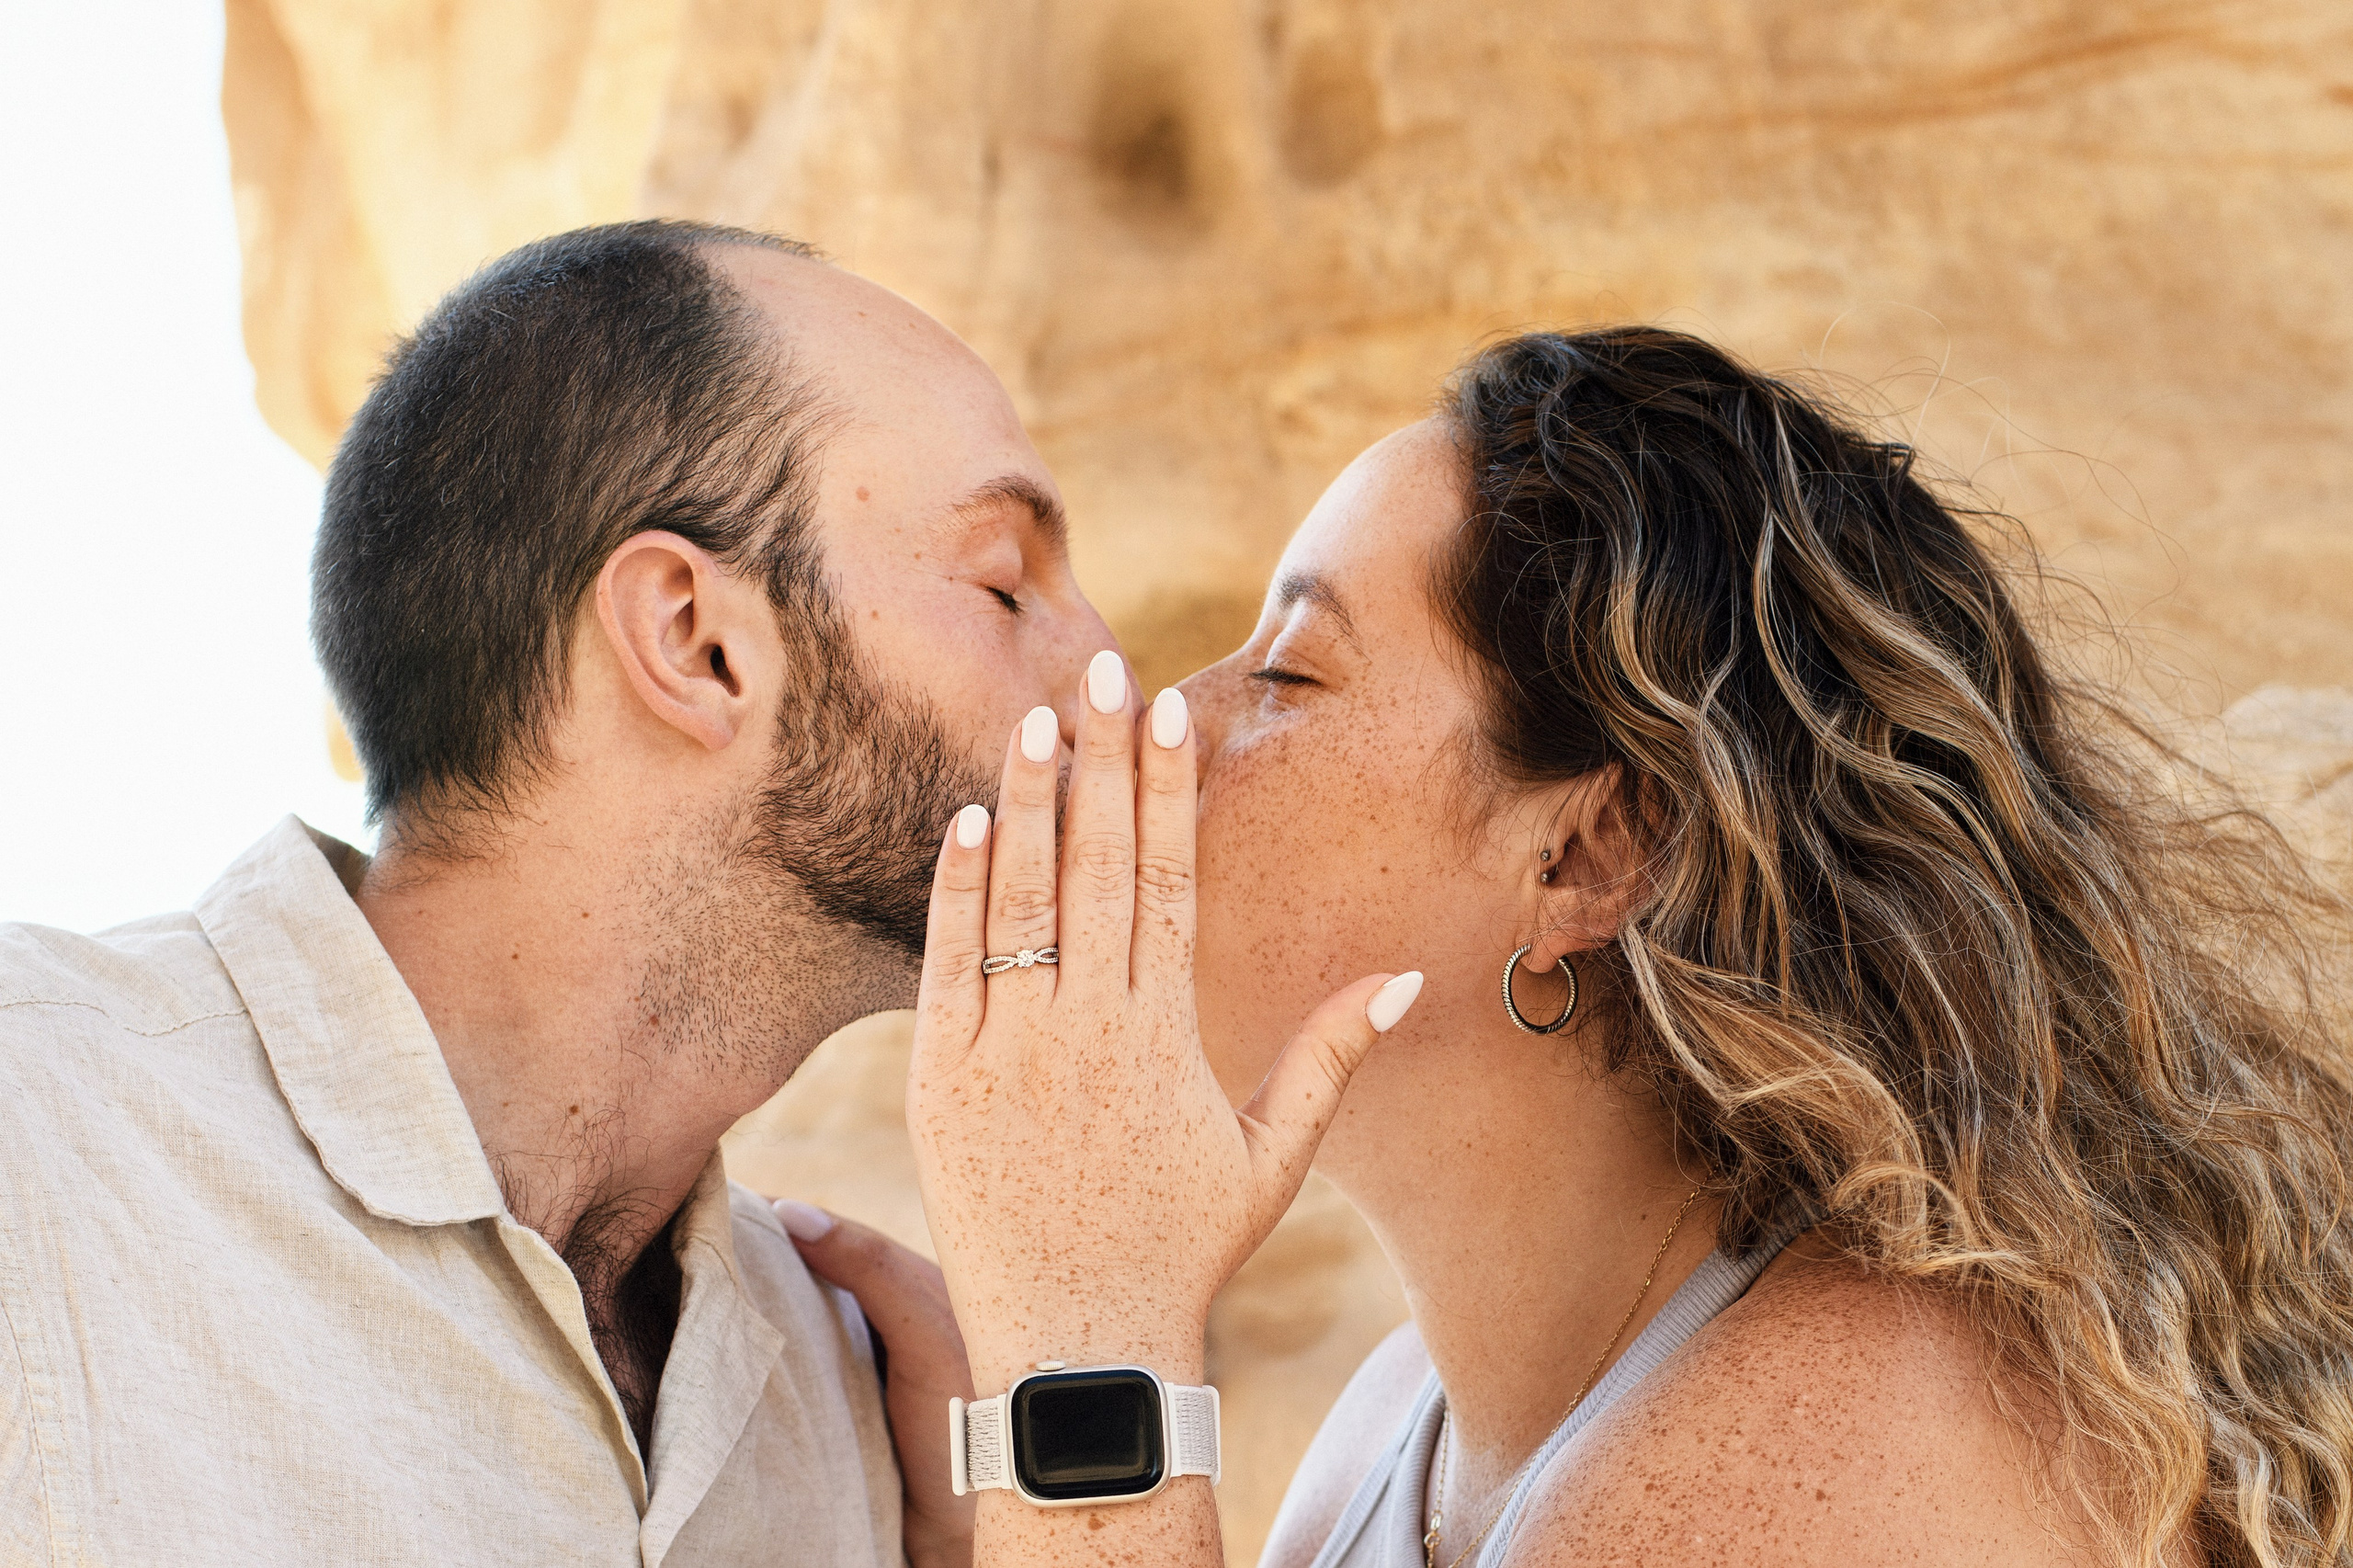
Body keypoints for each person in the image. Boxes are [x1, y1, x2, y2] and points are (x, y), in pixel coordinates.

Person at [796, 327, 2353, 1567]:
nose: (1174, 721)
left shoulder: (1834, 1451)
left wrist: (1084, 1357)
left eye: (1289, 669)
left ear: (1590, 853)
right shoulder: (1406, 1418)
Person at [0, 220, 1115, 1565]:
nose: (1106, 662)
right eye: (1004, 583)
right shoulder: (41, 1147)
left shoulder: (861, 1401)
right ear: (695, 643)